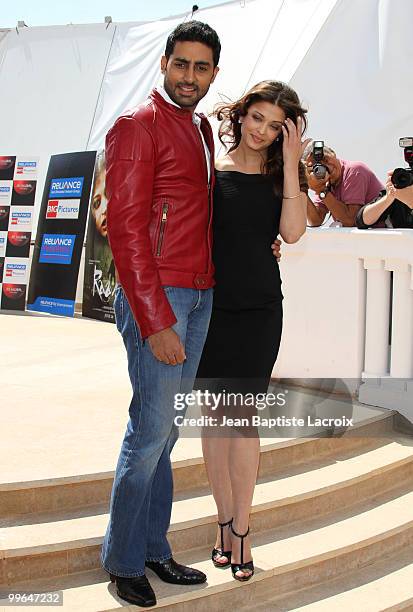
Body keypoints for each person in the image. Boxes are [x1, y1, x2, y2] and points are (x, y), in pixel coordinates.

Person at [101, 21, 221, 607]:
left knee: (167, 432)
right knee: (149, 431)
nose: (190, 76)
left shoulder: (201, 129)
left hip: (198, 293)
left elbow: (198, 212)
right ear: (165, 64)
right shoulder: (135, 128)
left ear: (213, 73)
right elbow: (122, 230)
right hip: (160, 297)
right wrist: (154, 319)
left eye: (201, 67)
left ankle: (153, 548)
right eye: (181, 64)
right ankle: (123, 561)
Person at [196, 80, 308, 582]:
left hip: (260, 312)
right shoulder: (210, 172)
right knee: (214, 424)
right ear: (241, 116)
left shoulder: (281, 176)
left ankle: (242, 527)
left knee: (242, 421)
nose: (262, 131)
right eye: (257, 118)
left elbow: (293, 232)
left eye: (274, 125)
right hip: (209, 310)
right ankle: (221, 521)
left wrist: (291, 161)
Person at [304, 142, 384, 227]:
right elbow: (316, 220)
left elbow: (351, 221)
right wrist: (302, 187)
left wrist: (321, 190)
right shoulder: (325, 182)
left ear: (333, 153)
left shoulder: (354, 171)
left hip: (384, 235)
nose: (327, 167)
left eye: (326, 159)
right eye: (318, 168)